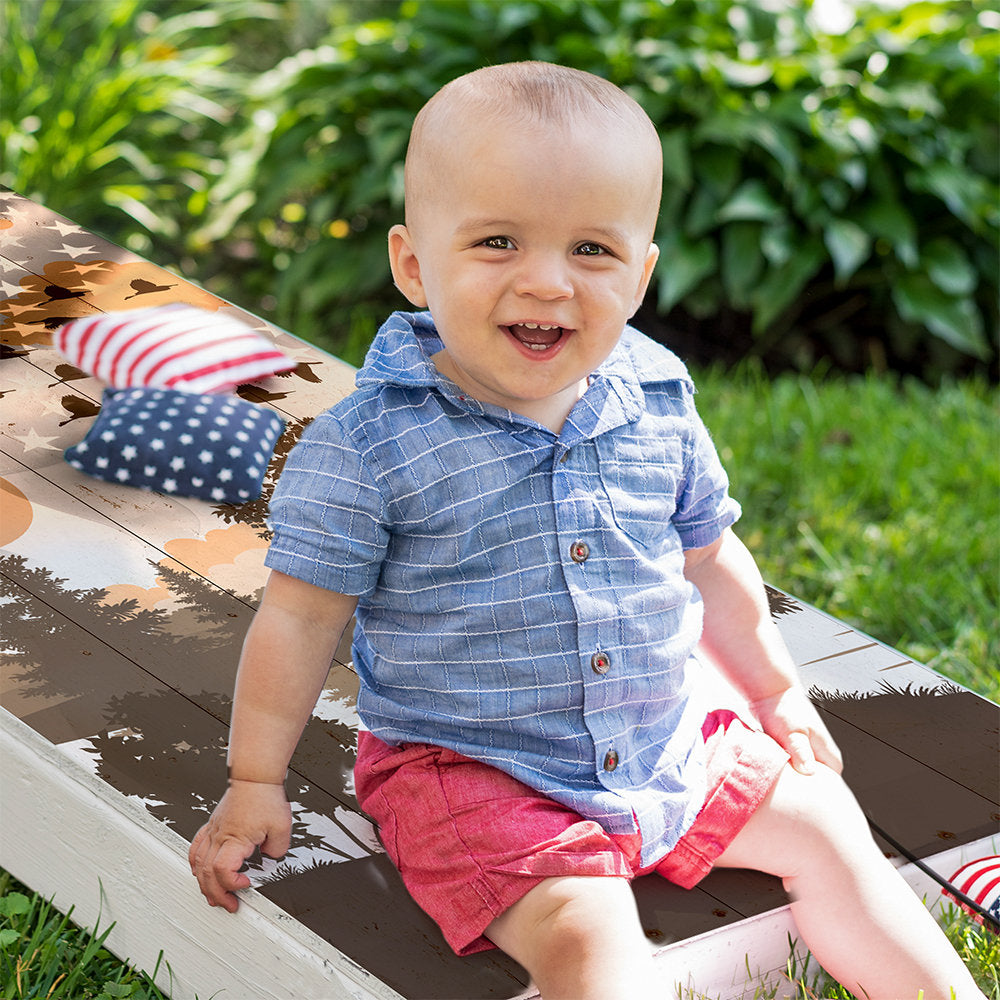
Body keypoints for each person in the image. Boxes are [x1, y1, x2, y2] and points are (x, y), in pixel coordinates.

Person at [189, 62, 983, 1000]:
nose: (547, 282)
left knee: (828, 825)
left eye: (593, 251)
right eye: (496, 240)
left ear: (641, 275)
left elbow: (709, 555)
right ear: (413, 264)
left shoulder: (656, 398)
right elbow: (299, 617)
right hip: (477, 771)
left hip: (662, 741)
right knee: (588, 939)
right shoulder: (373, 445)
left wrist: (776, 691)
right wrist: (253, 780)